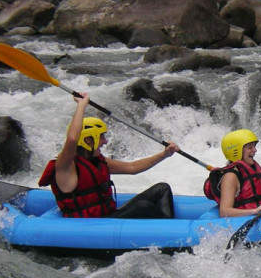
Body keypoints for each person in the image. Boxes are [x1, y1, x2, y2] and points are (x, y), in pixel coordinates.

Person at [38, 92, 179, 219]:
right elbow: (72, 139)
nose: (105, 141)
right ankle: (170, 240)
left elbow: (132, 167)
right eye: (101, 137)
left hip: (109, 217)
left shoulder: (97, 161)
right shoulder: (66, 166)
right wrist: (82, 105)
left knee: (162, 188)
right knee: (143, 207)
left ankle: (169, 229)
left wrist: (164, 154)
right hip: (91, 228)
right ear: (87, 140)